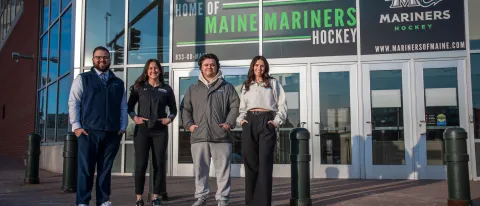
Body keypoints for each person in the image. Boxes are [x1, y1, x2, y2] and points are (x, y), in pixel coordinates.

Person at [68, 46, 127, 206]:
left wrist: (122, 127)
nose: (102, 60)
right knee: (86, 169)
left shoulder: (118, 83)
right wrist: (76, 126)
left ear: (110, 59)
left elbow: (123, 107)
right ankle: (82, 201)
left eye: (105, 57)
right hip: (88, 132)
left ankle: (103, 200)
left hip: (111, 133)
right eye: (98, 57)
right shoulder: (82, 79)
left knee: (105, 170)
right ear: (93, 59)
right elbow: (74, 102)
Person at [180, 53, 240, 206]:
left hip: (221, 136)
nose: (209, 67)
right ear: (201, 67)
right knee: (200, 172)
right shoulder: (193, 89)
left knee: (223, 172)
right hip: (199, 136)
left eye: (212, 64)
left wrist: (229, 123)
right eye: (206, 65)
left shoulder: (227, 87)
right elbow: (185, 109)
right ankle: (201, 197)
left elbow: (235, 106)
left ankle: (223, 199)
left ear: (217, 67)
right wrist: (189, 126)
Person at [236, 56, 287, 206]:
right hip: (250, 121)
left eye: (262, 66)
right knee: (250, 163)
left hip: (266, 120)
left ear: (266, 68)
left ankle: (263, 203)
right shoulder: (247, 85)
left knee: (265, 163)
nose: (259, 68)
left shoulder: (272, 83)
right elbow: (242, 108)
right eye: (257, 65)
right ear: (252, 67)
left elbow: (282, 105)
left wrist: (275, 122)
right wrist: (241, 121)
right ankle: (250, 202)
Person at [127, 59, 177, 206]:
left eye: (156, 68)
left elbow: (173, 109)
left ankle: (156, 197)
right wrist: (134, 117)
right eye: (150, 68)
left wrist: (170, 119)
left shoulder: (166, 89)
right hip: (142, 130)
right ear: (146, 71)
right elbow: (129, 106)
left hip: (160, 131)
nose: (153, 70)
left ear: (160, 71)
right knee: (141, 165)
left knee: (158, 164)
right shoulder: (139, 87)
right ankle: (138, 198)